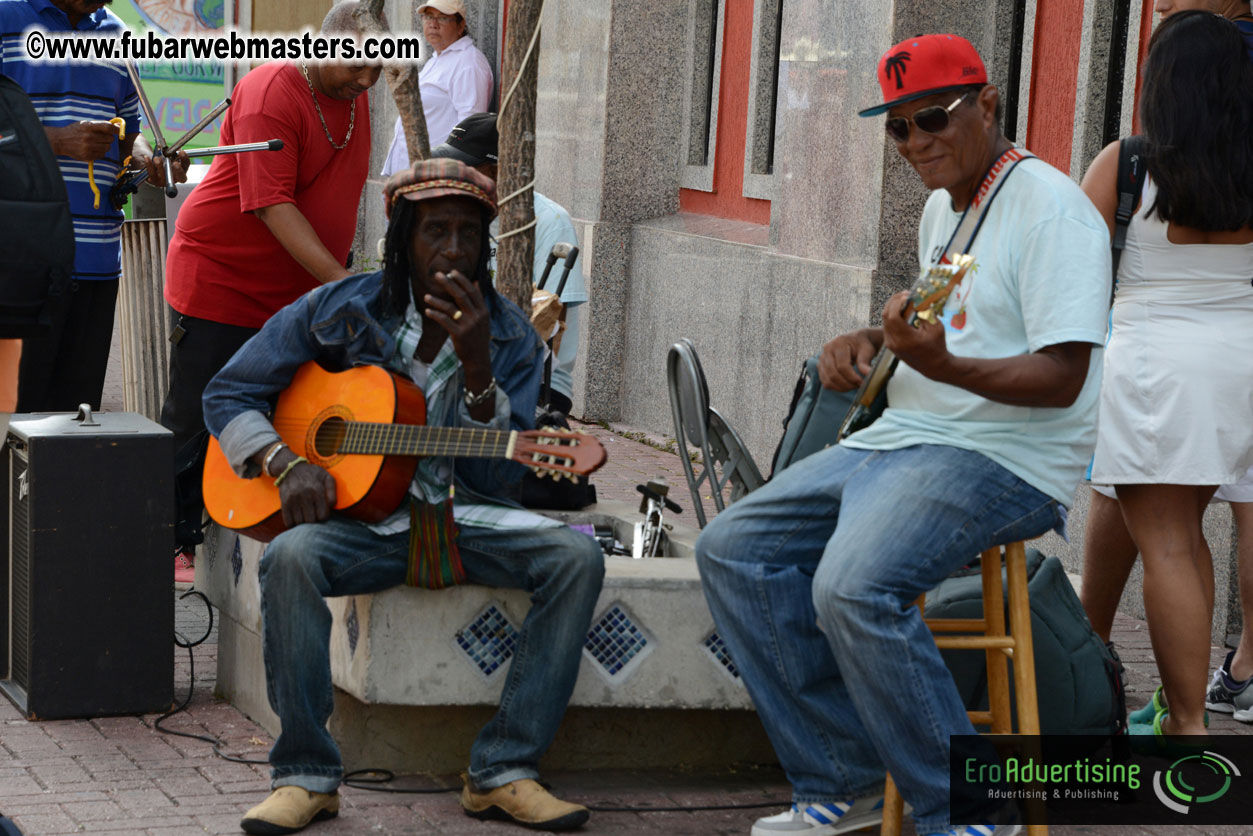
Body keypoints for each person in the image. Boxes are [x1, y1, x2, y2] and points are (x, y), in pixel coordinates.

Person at [694, 34, 1110, 836]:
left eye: (931, 119)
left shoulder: (1052, 210)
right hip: (901, 439)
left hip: (1000, 457)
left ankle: (964, 807)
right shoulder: (945, 208)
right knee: (731, 550)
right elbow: (936, 326)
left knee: (850, 586)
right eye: (896, 129)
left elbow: (1061, 376)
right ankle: (842, 775)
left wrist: (940, 366)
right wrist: (864, 340)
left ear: (986, 104)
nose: (915, 143)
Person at [202, 159, 603, 836]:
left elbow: (504, 480)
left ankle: (504, 769)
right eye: (435, 231)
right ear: (400, 237)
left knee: (574, 560)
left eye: (469, 235)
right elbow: (227, 391)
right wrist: (282, 459)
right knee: (289, 560)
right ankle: (305, 775)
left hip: (458, 513)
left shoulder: (509, 337)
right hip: (364, 524)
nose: (452, 249)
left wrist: (479, 374)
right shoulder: (338, 309)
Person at [161, 1, 381, 584]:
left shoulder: (357, 99)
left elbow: (346, 196)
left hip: (297, 297)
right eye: (356, 65)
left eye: (377, 70)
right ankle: (162, 546)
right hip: (223, 281)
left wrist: (344, 272)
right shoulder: (271, 90)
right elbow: (270, 204)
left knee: (290, 416)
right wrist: (341, 284)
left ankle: (241, 531)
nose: (365, 80)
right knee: (194, 424)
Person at [1079, 0, 1253, 721]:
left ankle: (1183, 728)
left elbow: (1070, 274)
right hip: (1239, 363)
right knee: (1188, 536)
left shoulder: (1126, 165)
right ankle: (1186, 707)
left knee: (1172, 546)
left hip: (1154, 366)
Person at [0, 0, 187, 414]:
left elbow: (128, 134)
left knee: (73, 425)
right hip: (18, 262)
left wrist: (151, 161)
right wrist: (55, 140)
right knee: (12, 419)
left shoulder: (118, 35)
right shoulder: (5, 17)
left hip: (97, 261)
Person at [427, 112, 588, 415]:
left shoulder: (550, 220)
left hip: (535, 378)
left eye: (463, 170)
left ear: (496, 170)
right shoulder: (461, 215)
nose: (453, 180)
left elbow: (551, 325)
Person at [380, 0, 492, 176]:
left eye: (443, 18)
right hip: (410, 175)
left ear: (460, 25)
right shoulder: (437, 59)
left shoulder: (468, 63)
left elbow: (469, 133)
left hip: (434, 178)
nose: (433, 24)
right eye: (428, 17)